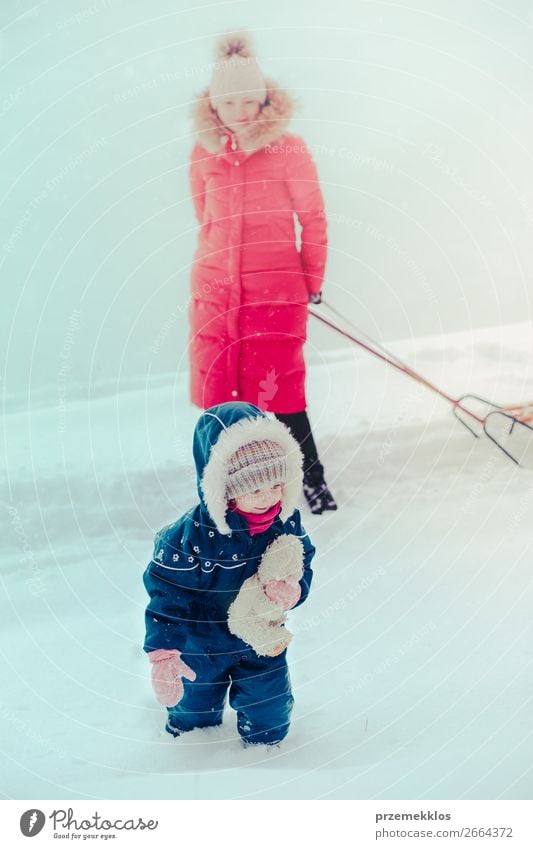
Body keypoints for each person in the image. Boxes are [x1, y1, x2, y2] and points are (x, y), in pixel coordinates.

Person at [187, 30, 337, 514]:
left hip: (275, 292)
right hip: (215, 293)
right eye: (231, 102)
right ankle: (224, 497)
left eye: (252, 101)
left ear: (264, 100)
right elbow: (204, 220)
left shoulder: (288, 148)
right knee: (220, 407)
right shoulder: (202, 153)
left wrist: (311, 280)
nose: (242, 111)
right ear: (214, 103)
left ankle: (311, 482)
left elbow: (312, 217)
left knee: (283, 393)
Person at [143, 401, 316, 746]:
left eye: (275, 485)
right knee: (194, 716)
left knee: (271, 713)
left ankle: (264, 752)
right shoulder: (189, 537)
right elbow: (167, 594)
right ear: (224, 486)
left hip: (260, 637)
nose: (268, 497)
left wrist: (295, 588)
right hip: (200, 644)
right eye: (254, 488)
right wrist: (164, 653)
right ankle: (187, 743)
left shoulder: (285, 521)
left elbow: (302, 557)